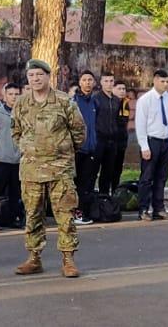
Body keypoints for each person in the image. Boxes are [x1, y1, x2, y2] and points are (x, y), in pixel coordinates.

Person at [10, 59, 86, 278]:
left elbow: (79, 132)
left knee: (65, 215)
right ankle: (34, 258)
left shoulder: (64, 101)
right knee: (33, 214)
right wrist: (30, 148)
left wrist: (61, 151)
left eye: (39, 75)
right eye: (31, 76)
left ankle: (68, 259)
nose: (35, 79)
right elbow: (15, 131)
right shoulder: (22, 103)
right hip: (31, 170)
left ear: (48, 76)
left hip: (60, 170)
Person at [133, 70, 168, 220]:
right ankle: (143, 209)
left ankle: (158, 208)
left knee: (162, 177)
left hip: (166, 141)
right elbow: (140, 124)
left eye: (167, 82)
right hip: (152, 141)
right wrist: (144, 146)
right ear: (155, 80)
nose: (165, 84)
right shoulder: (145, 100)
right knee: (147, 177)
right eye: (162, 81)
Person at [0, 83, 23, 230]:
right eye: (11, 94)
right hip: (1, 159)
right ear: (5, 95)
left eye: (16, 94)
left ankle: (13, 217)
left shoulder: (23, 113)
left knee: (16, 191)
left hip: (18, 159)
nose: (14, 97)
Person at [70, 71, 103, 225]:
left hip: (91, 150)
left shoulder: (95, 102)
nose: (88, 82)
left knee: (87, 184)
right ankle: (76, 213)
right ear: (80, 82)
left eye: (90, 80)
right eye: (84, 80)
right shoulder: (73, 102)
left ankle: (84, 212)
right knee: (75, 183)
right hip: (77, 150)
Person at [93, 75, 126, 197]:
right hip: (99, 140)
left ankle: (105, 199)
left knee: (108, 172)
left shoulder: (117, 100)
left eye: (111, 81)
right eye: (106, 81)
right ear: (101, 82)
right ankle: (90, 201)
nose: (109, 83)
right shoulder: (95, 99)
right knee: (93, 171)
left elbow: (117, 120)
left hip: (112, 141)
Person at [101, 81, 131, 195]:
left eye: (124, 89)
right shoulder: (110, 103)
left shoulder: (125, 103)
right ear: (113, 90)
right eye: (119, 88)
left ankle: (115, 193)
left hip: (121, 141)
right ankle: (104, 195)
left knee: (117, 170)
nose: (122, 91)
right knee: (108, 170)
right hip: (110, 141)